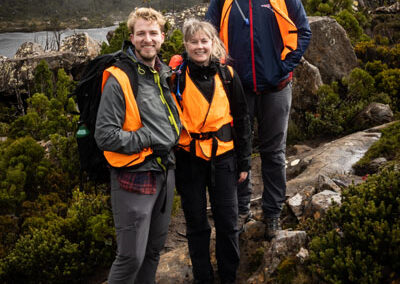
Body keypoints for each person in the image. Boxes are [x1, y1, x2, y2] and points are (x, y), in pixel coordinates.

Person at [206, 0, 312, 239]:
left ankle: (272, 212)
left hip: (277, 87)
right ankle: (241, 212)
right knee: (237, 151)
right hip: (237, 88)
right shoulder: (223, 2)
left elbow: (303, 31)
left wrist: (284, 66)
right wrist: (221, 72)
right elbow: (207, 32)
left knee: (274, 151)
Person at [94, 7, 181, 284]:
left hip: (165, 172)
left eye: (153, 33)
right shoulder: (119, 78)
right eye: (141, 33)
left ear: (162, 37)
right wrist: (149, 138)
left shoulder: (163, 73)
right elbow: (105, 135)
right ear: (131, 38)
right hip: (134, 177)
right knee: (130, 257)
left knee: (153, 251)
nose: (148, 39)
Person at [171, 18, 251, 284]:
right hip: (189, 159)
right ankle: (203, 278)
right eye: (193, 42)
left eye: (204, 41)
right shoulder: (175, 79)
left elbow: (242, 119)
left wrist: (244, 162)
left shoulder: (228, 76)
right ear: (186, 45)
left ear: (213, 43)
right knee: (196, 225)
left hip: (224, 158)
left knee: (228, 223)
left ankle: (229, 277)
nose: (199, 46)